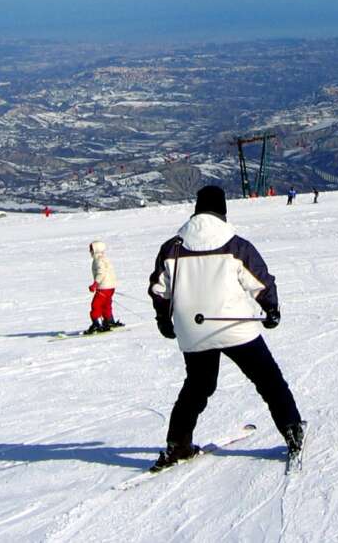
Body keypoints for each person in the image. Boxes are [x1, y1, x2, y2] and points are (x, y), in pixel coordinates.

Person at [148, 186, 304, 472]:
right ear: (223, 211)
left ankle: (177, 444)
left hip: (193, 330)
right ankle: (292, 430)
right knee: (268, 380)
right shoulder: (235, 245)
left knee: (198, 387)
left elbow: (160, 291)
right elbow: (261, 281)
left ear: (196, 209)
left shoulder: (172, 247)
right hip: (235, 326)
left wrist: (163, 321)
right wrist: (272, 310)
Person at [85, 240, 122, 334]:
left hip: (103, 287)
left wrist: (95, 284)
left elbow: (101, 273)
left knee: (96, 305)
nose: (90, 252)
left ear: (96, 250)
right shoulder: (104, 258)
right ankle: (109, 321)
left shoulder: (98, 260)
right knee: (106, 304)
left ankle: (96, 325)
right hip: (110, 287)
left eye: (91, 249)